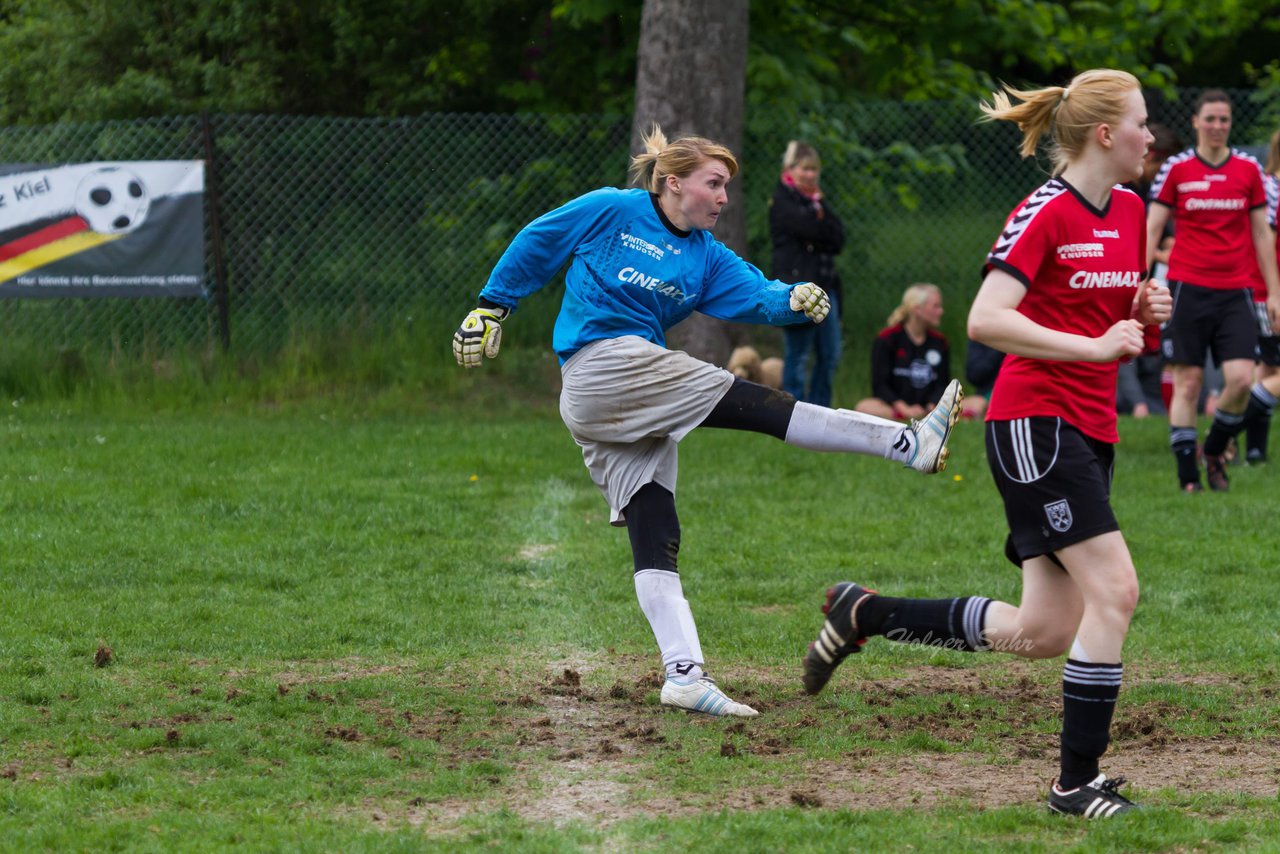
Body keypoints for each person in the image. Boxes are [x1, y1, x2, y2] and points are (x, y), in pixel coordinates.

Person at [454, 125, 963, 719]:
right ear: (673, 184)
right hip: (602, 369)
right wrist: (492, 306)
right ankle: (906, 443)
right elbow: (539, 240)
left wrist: (792, 298)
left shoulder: (703, 255)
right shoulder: (612, 209)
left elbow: (755, 294)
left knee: (656, 527)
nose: (724, 197)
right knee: (751, 401)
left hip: (625, 400)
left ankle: (684, 675)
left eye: (726, 186)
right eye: (714, 184)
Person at [801, 69, 1171, 818]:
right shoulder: (1044, 211)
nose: (1150, 136)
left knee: (1043, 631)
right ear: (1105, 134)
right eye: (1141, 122)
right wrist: (1095, 346)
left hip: (1090, 427)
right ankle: (1075, 785)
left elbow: (1103, 318)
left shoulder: (1131, 210)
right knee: (1116, 591)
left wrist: (1142, 310)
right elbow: (986, 320)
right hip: (1035, 424)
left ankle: (864, 613)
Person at [1146, 90, 1280, 491]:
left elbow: (1262, 234)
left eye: (1224, 119)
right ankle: (1189, 476)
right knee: (1188, 383)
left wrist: (1273, 292)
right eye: (1211, 119)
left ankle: (1215, 448)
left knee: (1240, 379)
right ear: (1196, 122)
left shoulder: (1248, 170)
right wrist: (1144, 276)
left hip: (1236, 290)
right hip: (1187, 287)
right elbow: (1151, 227)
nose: (1217, 126)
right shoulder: (1177, 168)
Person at [770, 141, 845, 406]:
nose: (811, 175)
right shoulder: (782, 202)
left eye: (814, 170)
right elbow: (812, 231)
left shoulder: (816, 203)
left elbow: (838, 239)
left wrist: (821, 209)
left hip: (826, 287)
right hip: (798, 289)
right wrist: (820, 225)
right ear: (791, 169)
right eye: (805, 169)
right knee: (798, 353)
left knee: (830, 353)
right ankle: (793, 409)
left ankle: (820, 408)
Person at [1235, 130, 1280, 463]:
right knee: (1268, 372)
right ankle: (1224, 431)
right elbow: (1266, 245)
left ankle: (1253, 450)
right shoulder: (1272, 189)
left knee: (1267, 368)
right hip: (1269, 292)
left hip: (1266, 291)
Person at [854, 283, 960, 420]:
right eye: (936, 306)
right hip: (894, 407)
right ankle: (903, 416)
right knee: (864, 407)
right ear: (917, 310)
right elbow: (880, 386)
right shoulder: (887, 339)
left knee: (977, 403)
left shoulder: (940, 342)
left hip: (928, 409)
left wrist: (931, 406)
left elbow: (942, 384)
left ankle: (930, 416)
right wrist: (904, 409)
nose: (941, 311)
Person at [963, 338, 1005, 420]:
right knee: (979, 404)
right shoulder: (982, 334)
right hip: (986, 394)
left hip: (1010, 392)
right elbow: (973, 376)